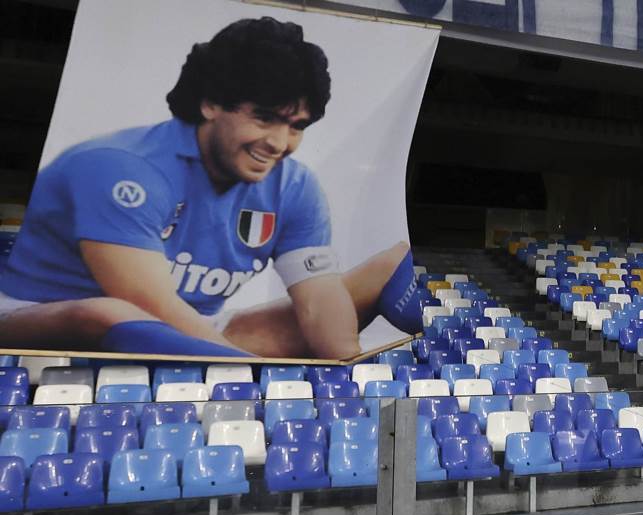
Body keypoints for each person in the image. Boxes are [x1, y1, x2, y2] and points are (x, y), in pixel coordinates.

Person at [0, 16, 421, 358]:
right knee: (110, 312)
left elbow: (319, 301)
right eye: (264, 118)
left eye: (296, 126)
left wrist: (346, 375)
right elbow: (149, 307)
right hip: (41, 323)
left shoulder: (294, 186)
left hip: (191, 331)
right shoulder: (120, 166)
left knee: (357, 285)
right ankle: (231, 366)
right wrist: (255, 378)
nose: (278, 143)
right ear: (210, 103)